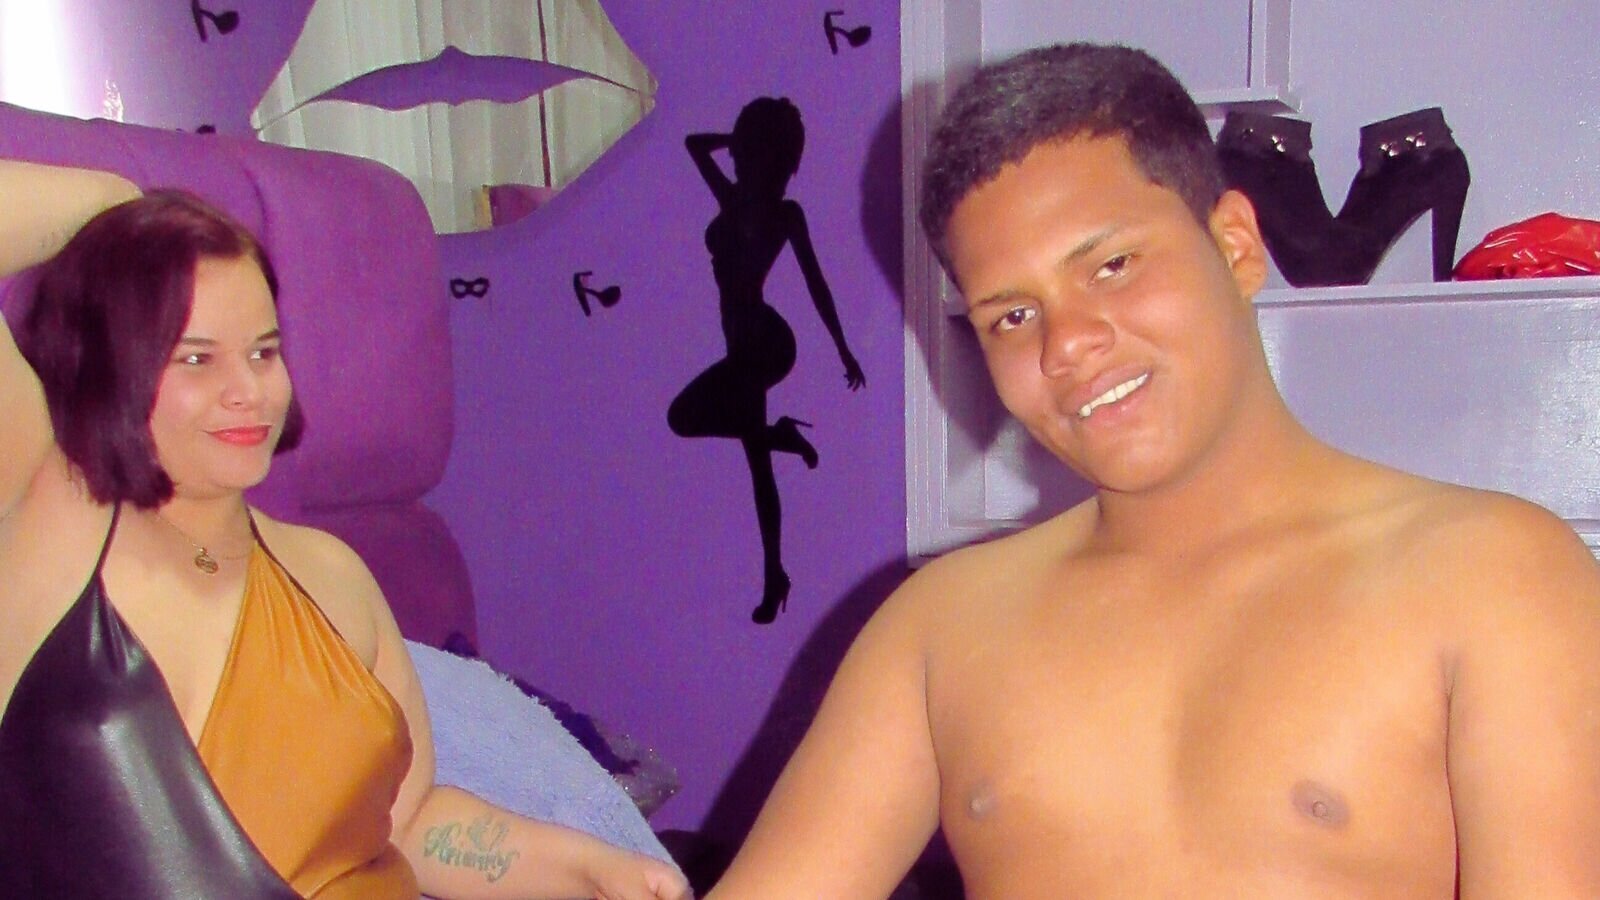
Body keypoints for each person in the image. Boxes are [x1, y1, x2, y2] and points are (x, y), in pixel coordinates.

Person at [706, 43, 1600, 898]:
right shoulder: (936, 626)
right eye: (1012, 316)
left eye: (1112, 265)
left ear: (1236, 247)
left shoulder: (1493, 574)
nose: (1067, 345)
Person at [0, 161, 690, 900]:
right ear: (108, 364)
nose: (248, 390)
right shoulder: (53, 522)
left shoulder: (328, 575)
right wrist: (121, 208)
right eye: (197, 359)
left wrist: (596, 871)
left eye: (264, 352)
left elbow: (412, 823)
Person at [668, 97, 866, 624]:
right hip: (743, 343)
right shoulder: (733, 199)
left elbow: (816, 283)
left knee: (755, 463)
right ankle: (781, 437)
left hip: (764, 341)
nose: (735, 159)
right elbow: (693, 145)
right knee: (689, 420)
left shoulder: (784, 214)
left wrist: (843, 348)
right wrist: (737, 138)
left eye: (746, 150)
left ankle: (774, 574)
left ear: (767, 157)